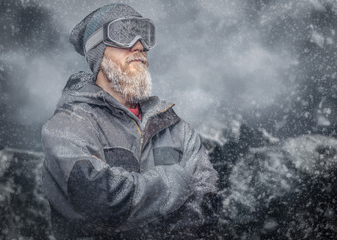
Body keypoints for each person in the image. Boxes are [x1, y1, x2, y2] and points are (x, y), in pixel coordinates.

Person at [42, 3, 221, 239]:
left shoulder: (178, 129)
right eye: (123, 35)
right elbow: (103, 201)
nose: (139, 45)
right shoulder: (68, 127)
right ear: (98, 51)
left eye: (144, 35)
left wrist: (133, 201)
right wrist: (181, 179)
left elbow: (209, 208)